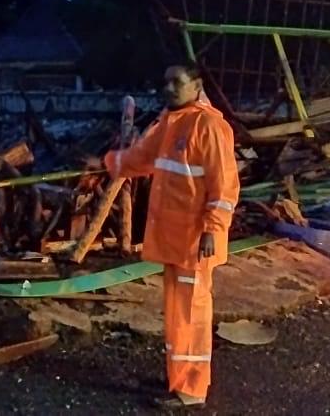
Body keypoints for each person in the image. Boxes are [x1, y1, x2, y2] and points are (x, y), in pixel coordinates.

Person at [87, 63, 239, 408]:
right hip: (176, 238)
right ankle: (178, 377)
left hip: (196, 239)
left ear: (197, 85)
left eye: (178, 82)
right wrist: (107, 163)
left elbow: (225, 186)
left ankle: (191, 390)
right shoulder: (171, 123)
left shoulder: (209, 126)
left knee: (192, 313)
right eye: (166, 82)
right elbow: (141, 157)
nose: (169, 88)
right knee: (177, 313)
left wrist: (213, 230)